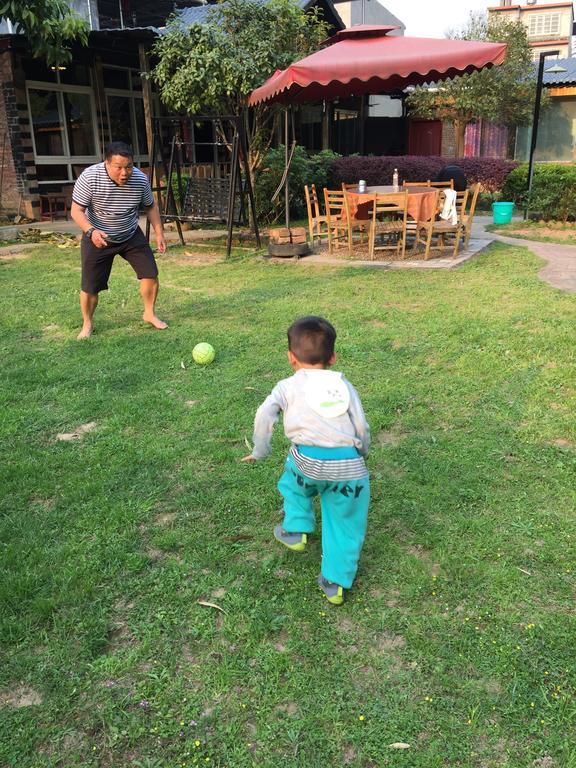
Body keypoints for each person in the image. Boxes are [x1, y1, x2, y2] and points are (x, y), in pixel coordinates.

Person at [242, 316, 371, 605]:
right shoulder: (345, 386)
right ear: (333, 357)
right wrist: (361, 453)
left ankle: (296, 528)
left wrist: (261, 450)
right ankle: (335, 584)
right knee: (345, 523)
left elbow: (265, 414)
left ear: (291, 358)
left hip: (307, 460)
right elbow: (360, 426)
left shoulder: (286, 386)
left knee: (293, 484)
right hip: (349, 466)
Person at [70, 141, 167, 339]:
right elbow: (76, 211)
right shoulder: (90, 177)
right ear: (107, 163)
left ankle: (149, 313)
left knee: (150, 273)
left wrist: (159, 233)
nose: (124, 173)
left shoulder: (140, 179)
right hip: (97, 235)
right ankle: (87, 324)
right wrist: (91, 232)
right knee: (90, 286)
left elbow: (151, 206)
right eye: (118, 167)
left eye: (128, 167)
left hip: (130, 233)